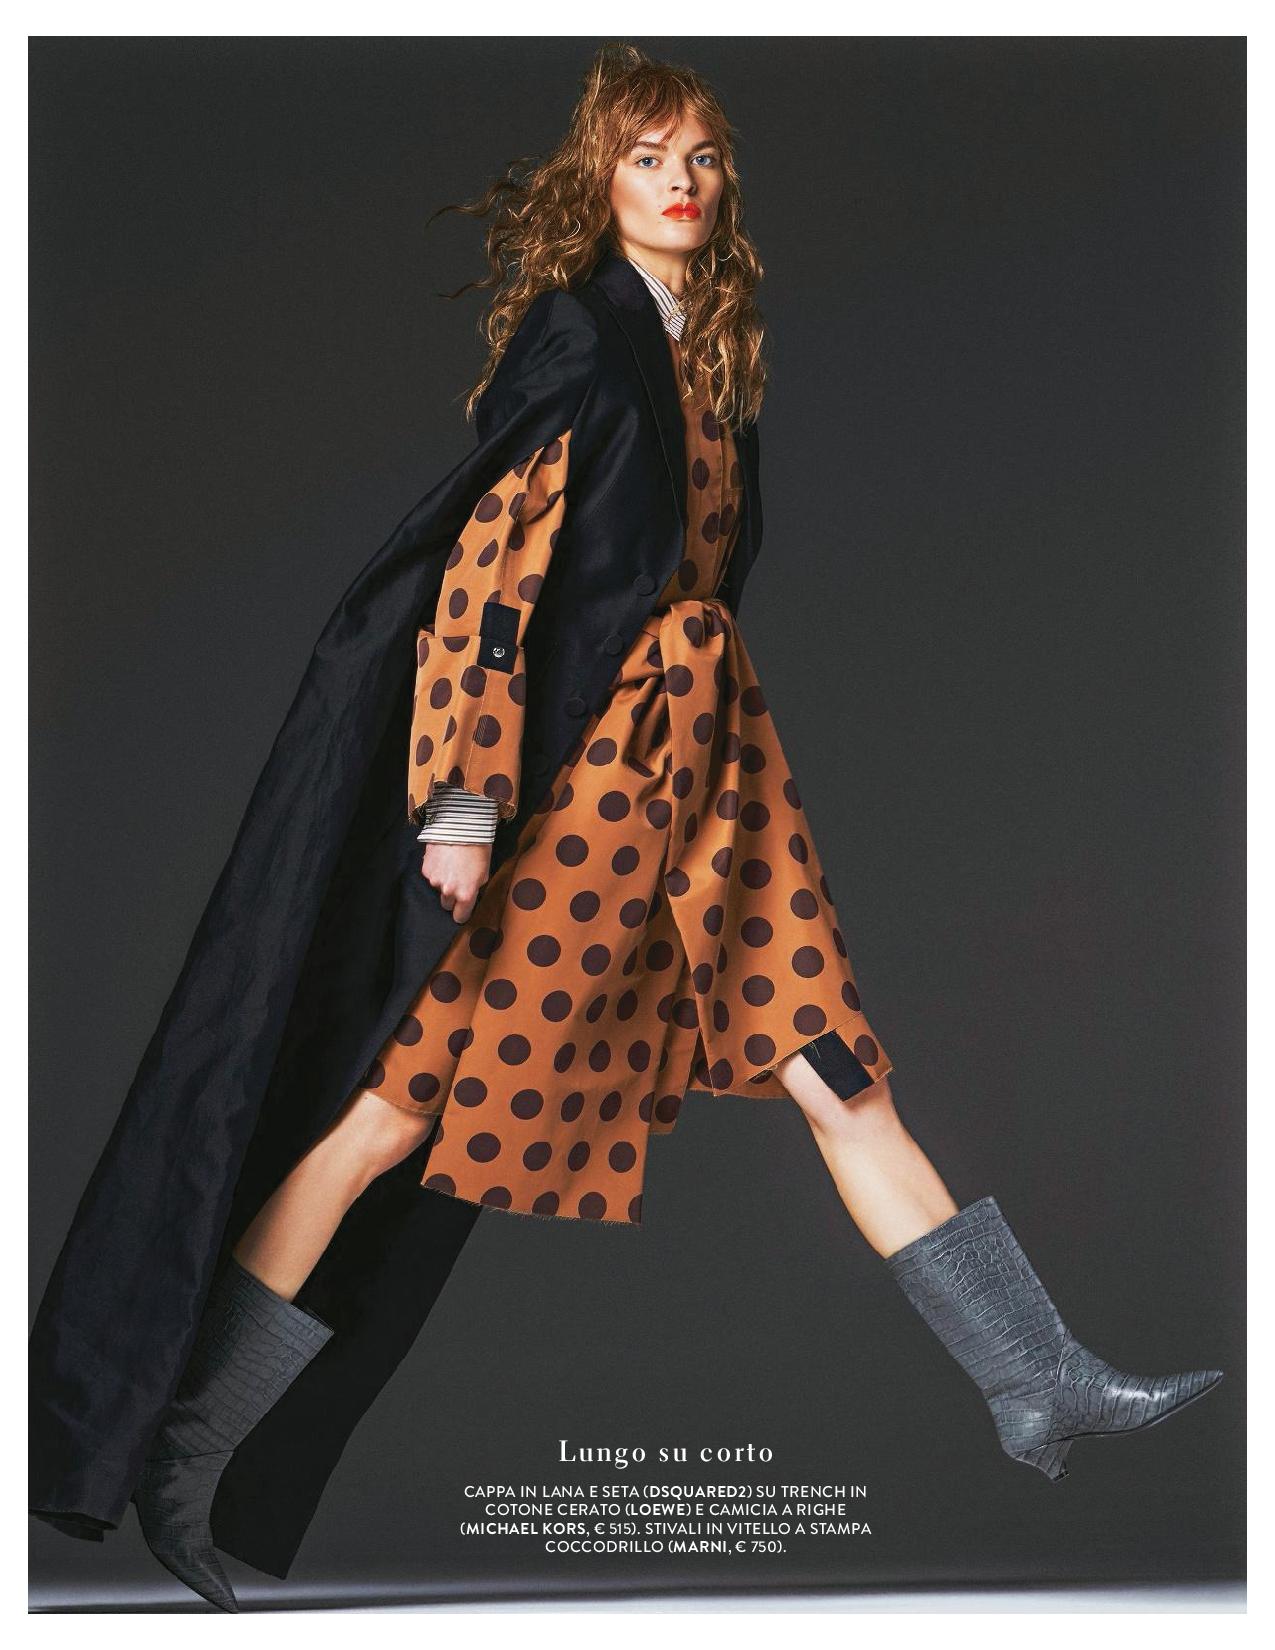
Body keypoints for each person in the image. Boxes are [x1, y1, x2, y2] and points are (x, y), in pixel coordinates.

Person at [30, 44, 1223, 1614]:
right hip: (581, 790)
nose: (680, 182)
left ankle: (1034, 1373)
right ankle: (186, 1442)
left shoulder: (709, 351)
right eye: (649, 156)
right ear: (601, 180)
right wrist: (463, 807)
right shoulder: (581, 336)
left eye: (702, 157)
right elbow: (486, 585)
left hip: (714, 761)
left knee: (834, 1057)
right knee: (395, 1111)